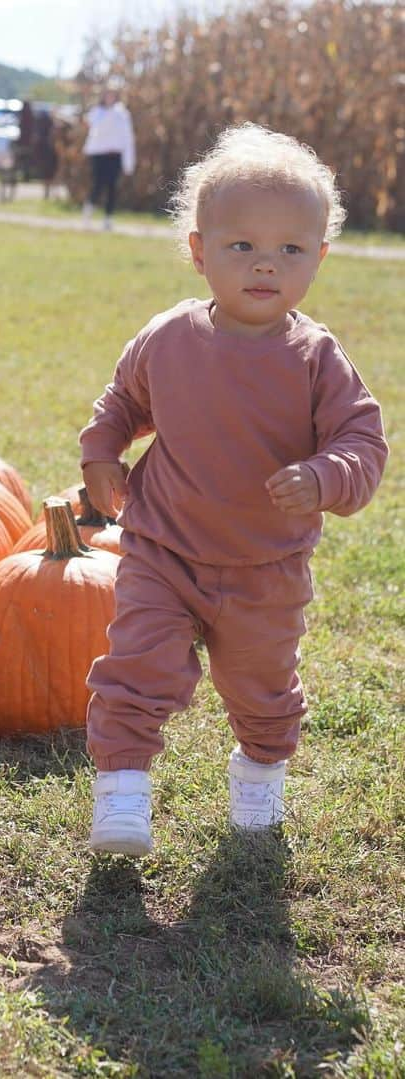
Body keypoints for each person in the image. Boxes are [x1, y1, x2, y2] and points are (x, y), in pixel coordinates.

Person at [79, 123, 387, 858]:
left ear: (319, 257)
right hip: (163, 550)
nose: (265, 265)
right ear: (198, 250)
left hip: (265, 567)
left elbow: (363, 443)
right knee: (137, 666)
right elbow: (121, 401)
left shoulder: (316, 358)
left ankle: (258, 771)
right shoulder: (169, 339)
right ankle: (122, 795)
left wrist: (322, 476)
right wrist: (101, 450)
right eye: (242, 245)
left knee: (263, 690)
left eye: (290, 249)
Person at [81, 85, 135, 230]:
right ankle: (88, 212)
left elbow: (127, 137)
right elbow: (94, 128)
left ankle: (108, 218)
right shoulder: (97, 112)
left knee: (112, 186)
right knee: (98, 184)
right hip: (99, 155)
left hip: (114, 155)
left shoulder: (122, 114)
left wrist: (128, 161)